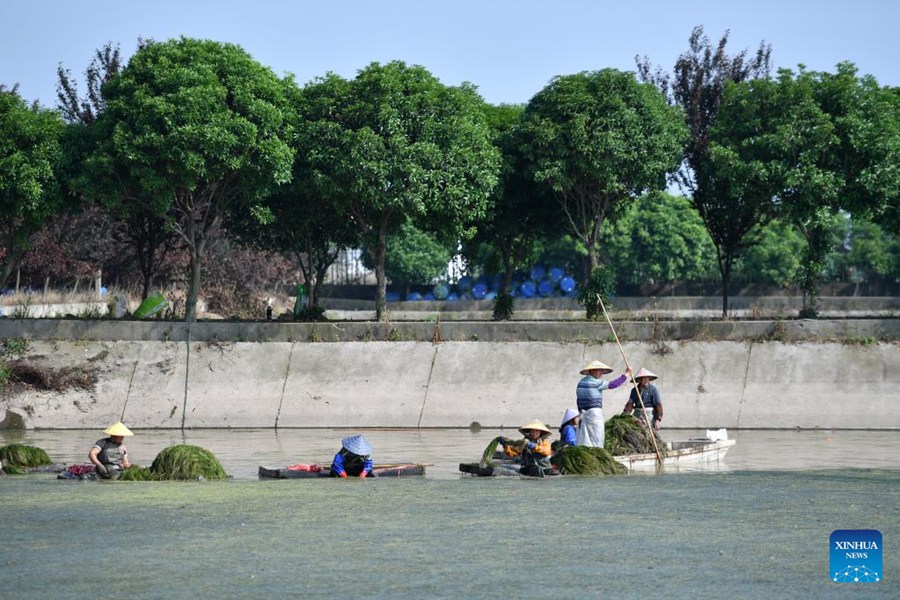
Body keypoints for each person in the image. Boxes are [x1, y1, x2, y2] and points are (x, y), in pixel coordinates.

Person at [576, 360, 632, 448]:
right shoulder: (595, 382)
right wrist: (627, 374)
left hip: (583, 414)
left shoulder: (581, 382)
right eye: (600, 370)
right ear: (592, 371)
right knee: (596, 439)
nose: (601, 373)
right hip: (593, 415)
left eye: (602, 371)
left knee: (585, 439)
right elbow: (614, 384)